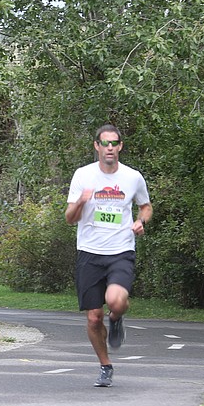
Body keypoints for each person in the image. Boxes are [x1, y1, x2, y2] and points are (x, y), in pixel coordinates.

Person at [65, 124, 152, 387]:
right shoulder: (83, 176)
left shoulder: (132, 177)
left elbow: (146, 206)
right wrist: (81, 201)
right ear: (97, 146)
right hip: (90, 252)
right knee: (93, 316)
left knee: (115, 301)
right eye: (105, 143)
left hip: (120, 250)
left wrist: (141, 222)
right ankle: (105, 366)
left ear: (120, 146)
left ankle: (116, 319)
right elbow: (70, 219)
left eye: (114, 143)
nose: (110, 148)